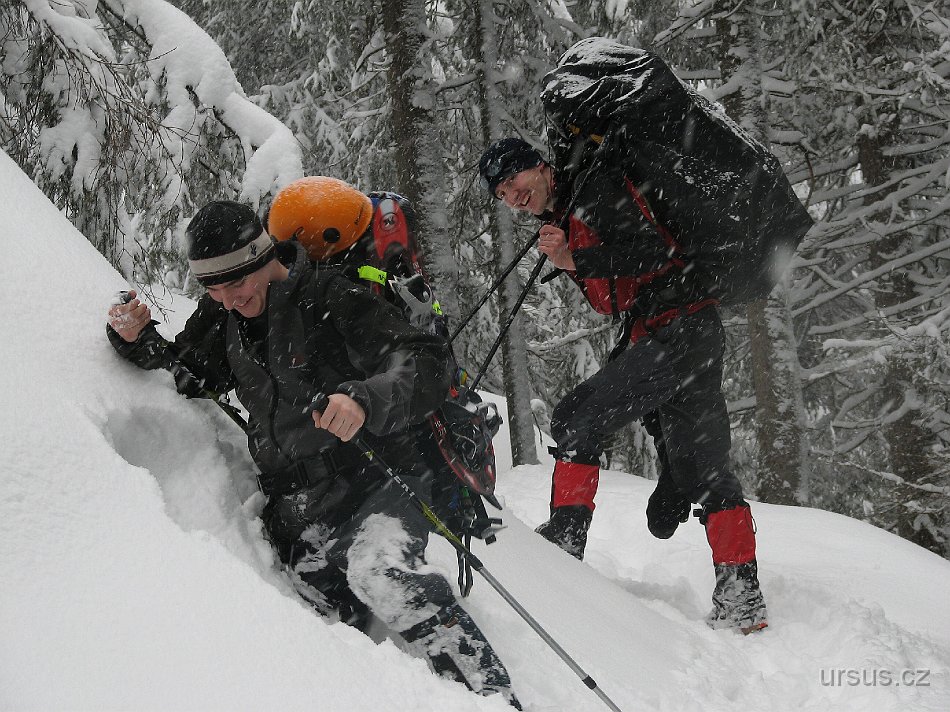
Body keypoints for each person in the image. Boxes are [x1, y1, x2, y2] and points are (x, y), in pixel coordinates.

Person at [106, 200, 520, 706]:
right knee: (319, 631)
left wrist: (364, 399)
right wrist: (136, 339)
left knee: (381, 573)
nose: (230, 298)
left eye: (237, 282)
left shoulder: (331, 297)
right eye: (213, 288)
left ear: (261, 257)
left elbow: (425, 363)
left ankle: (492, 697)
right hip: (296, 509)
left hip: (377, 483)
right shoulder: (225, 315)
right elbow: (193, 375)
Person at [478, 129, 770, 632]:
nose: (513, 197)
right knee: (704, 465)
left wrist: (575, 259)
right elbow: (617, 288)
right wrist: (572, 256)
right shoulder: (574, 205)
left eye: (514, 180)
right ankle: (741, 595)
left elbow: (656, 253)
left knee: (576, 417)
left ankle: (565, 545)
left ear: (542, 166)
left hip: (676, 332)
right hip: (687, 331)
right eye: (503, 195)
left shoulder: (597, 188)